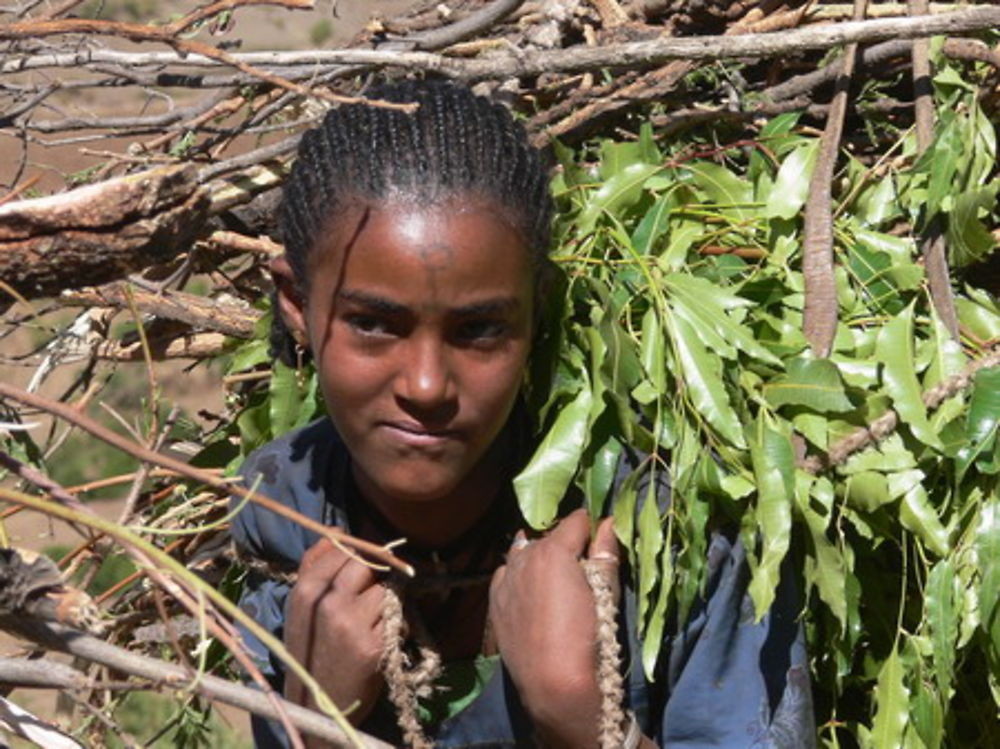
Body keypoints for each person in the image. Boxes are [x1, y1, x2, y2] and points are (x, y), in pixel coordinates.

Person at [230, 78, 814, 749]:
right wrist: (317, 721)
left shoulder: (667, 530)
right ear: (296, 303)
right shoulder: (285, 514)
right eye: (371, 323)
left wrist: (580, 716)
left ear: (537, 310)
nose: (426, 384)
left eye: (479, 330)